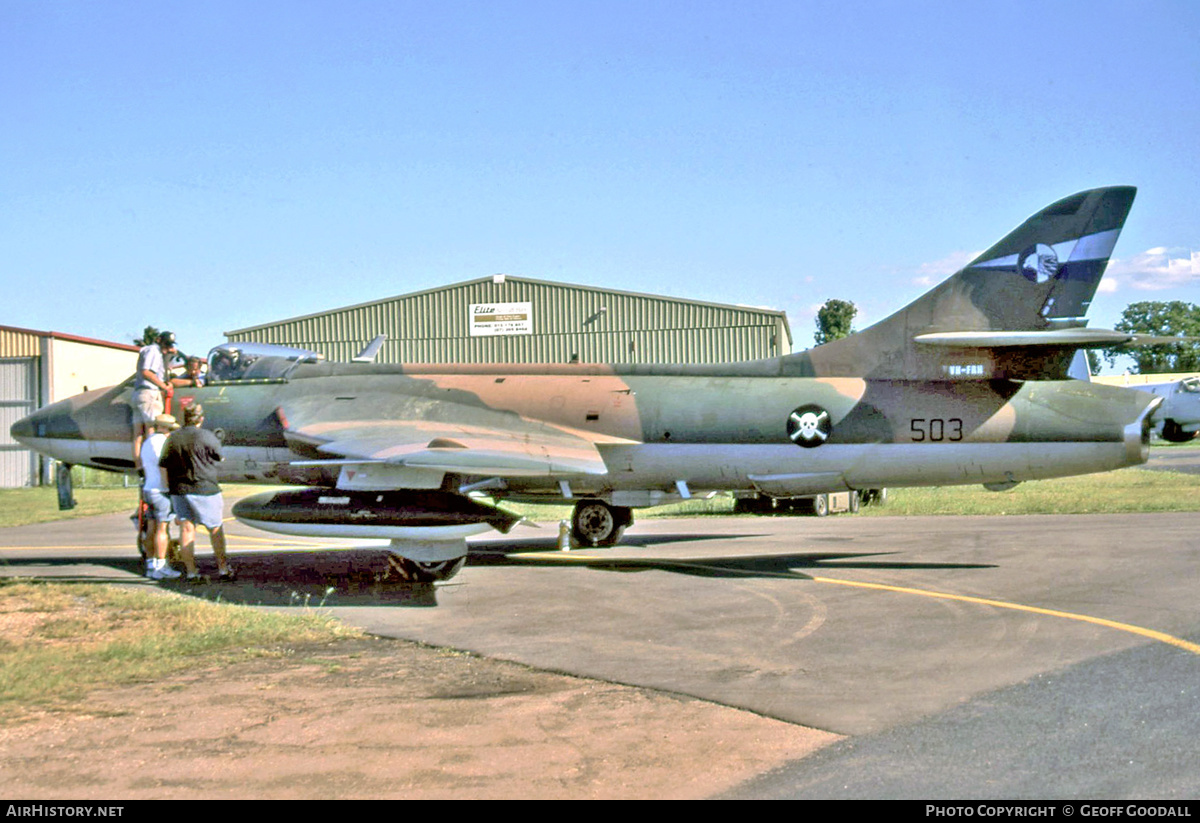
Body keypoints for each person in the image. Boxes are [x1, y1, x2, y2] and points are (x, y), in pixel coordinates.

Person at [159, 403, 232, 580]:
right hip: (206, 488)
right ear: (201, 419)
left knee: (186, 529)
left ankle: (191, 572)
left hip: (180, 490)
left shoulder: (172, 438)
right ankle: (223, 569)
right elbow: (219, 457)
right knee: (215, 529)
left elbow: (163, 464)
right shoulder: (207, 436)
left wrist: (167, 490)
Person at [140, 414, 181, 580]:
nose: (171, 432)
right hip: (160, 490)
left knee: (151, 528)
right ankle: (161, 565)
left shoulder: (147, 442)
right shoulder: (162, 443)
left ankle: (151, 564)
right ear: (163, 428)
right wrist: (169, 488)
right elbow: (164, 466)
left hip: (148, 488)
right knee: (162, 529)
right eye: (170, 429)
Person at [131, 331, 178, 463]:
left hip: (139, 393)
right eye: (166, 344)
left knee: (138, 435)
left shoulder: (147, 350)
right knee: (152, 431)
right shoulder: (154, 351)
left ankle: (140, 467)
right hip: (149, 393)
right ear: (159, 340)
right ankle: (152, 465)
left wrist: (169, 356)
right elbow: (147, 372)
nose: (168, 347)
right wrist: (164, 386)